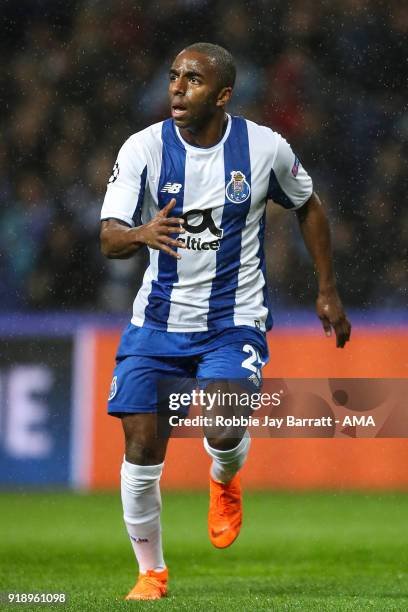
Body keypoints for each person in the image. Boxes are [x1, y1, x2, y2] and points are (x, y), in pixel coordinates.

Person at [100, 42, 351, 601]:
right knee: (141, 447)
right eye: (173, 77)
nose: (177, 87)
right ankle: (151, 573)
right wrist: (141, 233)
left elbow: (308, 204)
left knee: (224, 424)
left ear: (222, 94)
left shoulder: (263, 147)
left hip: (233, 320)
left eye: (192, 79)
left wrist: (327, 289)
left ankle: (223, 478)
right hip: (157, 324)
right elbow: (109, 236)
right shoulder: (143, 149)